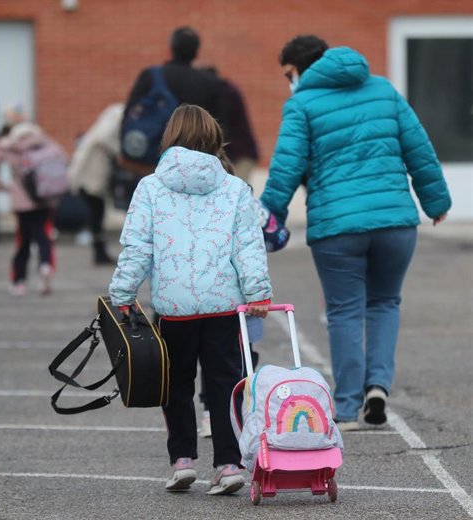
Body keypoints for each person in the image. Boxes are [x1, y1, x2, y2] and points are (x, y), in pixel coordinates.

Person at [260, 35, 451, 432]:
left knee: (345, 310)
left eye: (288, 74)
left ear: (300, 69)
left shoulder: (302, 104)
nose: (288, 82)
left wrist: (267, 217)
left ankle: (347, 406)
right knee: (384, 304)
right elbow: (419, 147)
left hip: (337, 227)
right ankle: (377, 387)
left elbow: (286, 168)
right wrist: (436, 202)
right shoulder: (382, 89)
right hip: (396, 222)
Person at [109, 104, 272, 495]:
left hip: (174, 308)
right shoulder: (235, 187)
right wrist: (258, 292)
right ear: (215, 138)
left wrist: (122, 293)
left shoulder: (150, 186)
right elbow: (248, 247)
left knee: (175, 383)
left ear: (170, 138)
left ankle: (182, 460)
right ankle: (229, 464)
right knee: (225, 384)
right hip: (223, 306)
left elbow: (137, 247)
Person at [121, 26, 221, 175]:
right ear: (197, 51)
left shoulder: (150, 76)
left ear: (171, 47)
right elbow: (219, 127)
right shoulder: (209, 83)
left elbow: (128, 114)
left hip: (147, 161)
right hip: (191, 168)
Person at [0, 122, 66, 296]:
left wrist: (2, 188)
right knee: (43, 235)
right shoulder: (41, 140)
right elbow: (63, 158)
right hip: (45, 196)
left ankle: (19, 281)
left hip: (21, 199)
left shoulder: (5, 145)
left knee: (24, 240)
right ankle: (45, 265)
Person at [67, 103, 124, 265]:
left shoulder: (102, 125)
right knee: (96, 214)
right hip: (91, 177)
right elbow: (105, 139)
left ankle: (100, 251)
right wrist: (120, 151)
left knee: (97, 214)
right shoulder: (112, 124)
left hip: (90, 176)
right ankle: (99, 252)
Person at [203, 67, 260, 182]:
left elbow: (224, 127)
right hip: (240, 153)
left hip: (239, 155)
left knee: (236, 193)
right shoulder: (228, 90)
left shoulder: (224, 94)